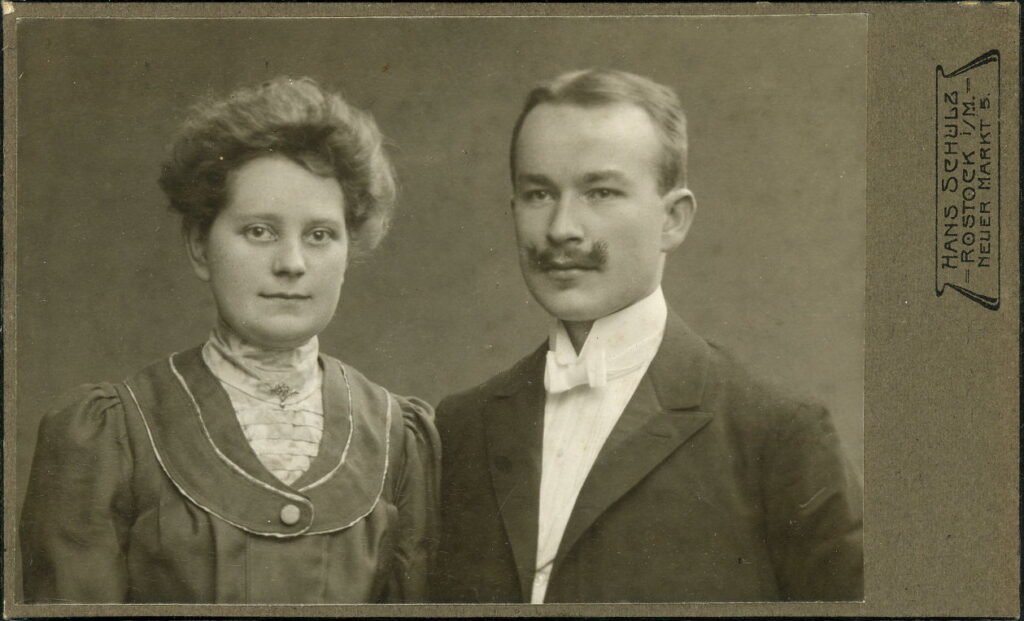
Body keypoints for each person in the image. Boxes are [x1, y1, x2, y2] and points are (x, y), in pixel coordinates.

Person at [431, 68, 863, 603]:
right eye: (539, 193)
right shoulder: (458, 427)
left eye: (601, 192)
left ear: (673, 220)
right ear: (513, 209)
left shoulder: (777, 434)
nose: (563, 227)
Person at [20, 77, 439, 604]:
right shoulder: (112, 435)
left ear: (348, 250)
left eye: (319, 234)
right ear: (200, 245)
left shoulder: (396, 440)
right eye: (260, 231)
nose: (292, 263)